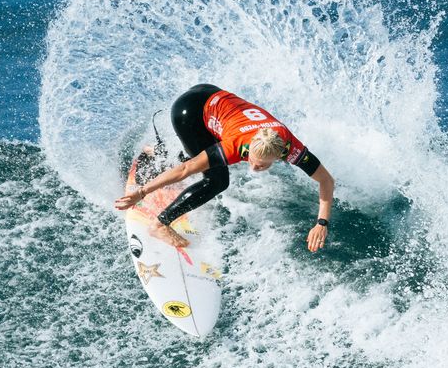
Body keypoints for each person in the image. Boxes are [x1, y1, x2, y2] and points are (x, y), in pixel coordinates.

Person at [114, 83, 335, 252]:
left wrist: (321, 223)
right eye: (250, 158)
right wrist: (141, 192)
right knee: (217, 179)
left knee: (202, 156)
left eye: (261, 165)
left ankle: (158, 152)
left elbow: (326, 180)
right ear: (248, 147)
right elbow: (186, 171)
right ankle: (160, 224)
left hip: (211, 96)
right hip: (190, 111)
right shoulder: (235, 145)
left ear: (280, 155)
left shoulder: (291, 147)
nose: (254, 166)